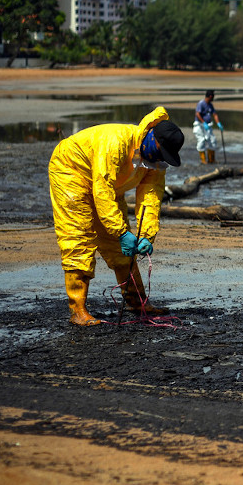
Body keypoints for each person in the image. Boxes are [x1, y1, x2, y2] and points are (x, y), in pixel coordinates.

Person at [48, 107, 184, 326]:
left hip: (107, 186)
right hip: (71, 168)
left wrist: (147, 235)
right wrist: (120, 231)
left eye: (164, 157)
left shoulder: (155, 162)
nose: (160, 159)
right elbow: (102, 189)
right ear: (151, 136)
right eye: (160, 152)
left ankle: (138, 303)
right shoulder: (117, 143)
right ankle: (78, 311)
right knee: (78, 237)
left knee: (119, 246)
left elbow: (150, 199)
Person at [193, 89, 223, 164]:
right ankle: (203, 160)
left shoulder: (210, 105)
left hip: (208, 125)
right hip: (199, 125)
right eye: (213, 96)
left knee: (212, 140)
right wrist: (203, 122)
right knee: (201, 140)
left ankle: (211, 159)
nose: (213, 98)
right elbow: (197, 114)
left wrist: (218, 123)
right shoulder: (201, 103)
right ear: (210, 96)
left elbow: (215, 114)